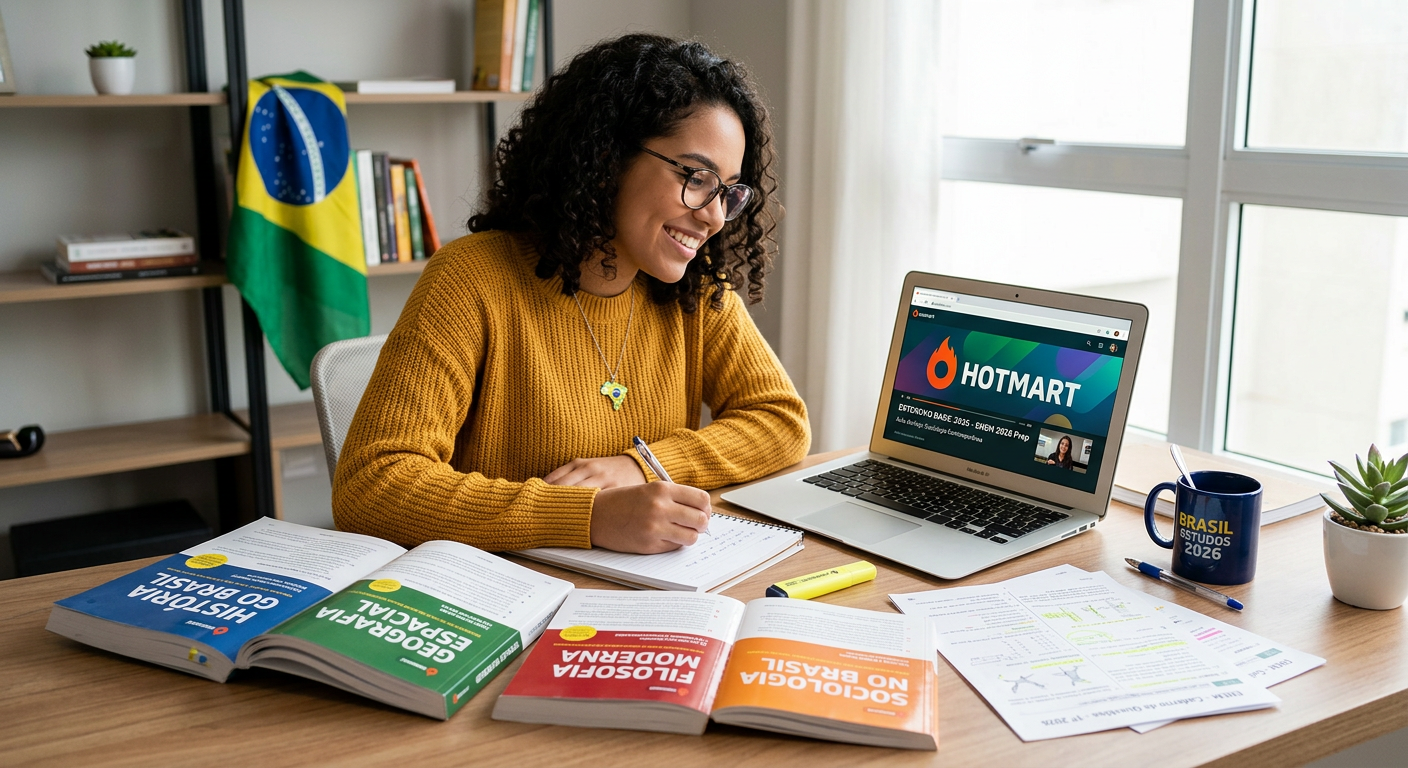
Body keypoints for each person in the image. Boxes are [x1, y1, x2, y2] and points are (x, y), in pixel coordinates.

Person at [332, 35, 810, 555]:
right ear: (607, 157)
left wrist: (641, 465)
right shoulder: (471, 280)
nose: (714, 215)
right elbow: (371, 487)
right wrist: (587, 518)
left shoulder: (697, 291)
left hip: (646, 596)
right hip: (503, 597)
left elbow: (781, 421)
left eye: (727, 191)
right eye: (696, 177)